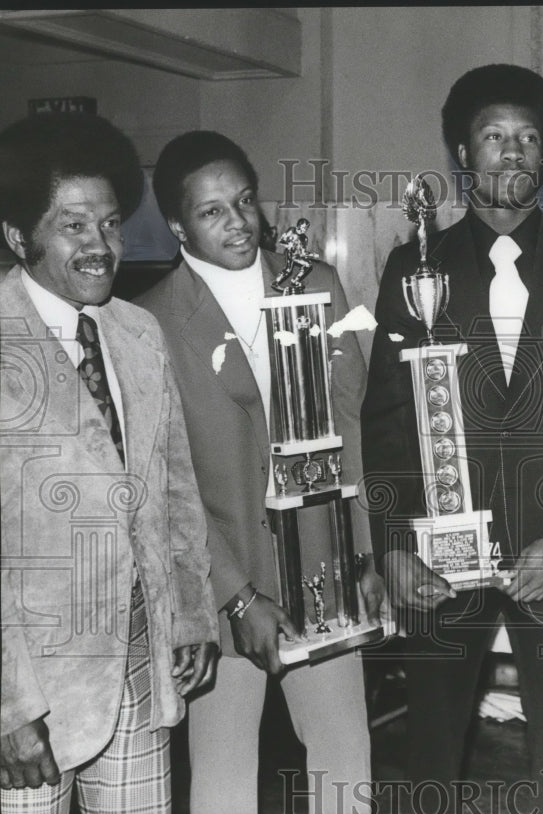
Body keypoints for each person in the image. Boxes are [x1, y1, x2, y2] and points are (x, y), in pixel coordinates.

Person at [361, 63, 543, 809]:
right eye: (494, 137)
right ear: (461, 154)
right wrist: (390, 544)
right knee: (431, 756)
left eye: (529, 138)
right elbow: (386, 419)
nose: (513, 153)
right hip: (439, 560)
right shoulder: (412, 270)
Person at [135, 131, 382, 814]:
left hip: (323, 570)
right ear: (179, 224)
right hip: (222, 587)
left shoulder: (319, 286)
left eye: (243, 201)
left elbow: (352, 430)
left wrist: (363, 553)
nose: (238, 221)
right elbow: (163, 485)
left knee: (344, 768)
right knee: (221, 783)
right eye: (212, 211)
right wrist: (237, 597)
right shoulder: (147, 322)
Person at [0, 113, 218, 814]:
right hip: (32, 687)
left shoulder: (136, 330)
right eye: (74, 226)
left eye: (112, 224)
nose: (101, 247)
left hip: (139, 663)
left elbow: (175, 488)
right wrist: (8, 708)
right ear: (17, 236)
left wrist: (190, 614)